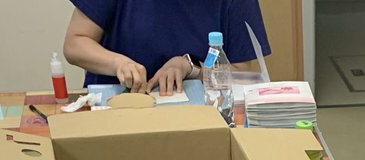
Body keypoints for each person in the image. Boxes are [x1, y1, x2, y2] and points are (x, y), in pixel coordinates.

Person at [63, 1, 271, 96]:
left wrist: (190, 68)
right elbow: (75, 43)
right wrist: (119, 63)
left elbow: (241, 75)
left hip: (198, 119)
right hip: (117, 106)